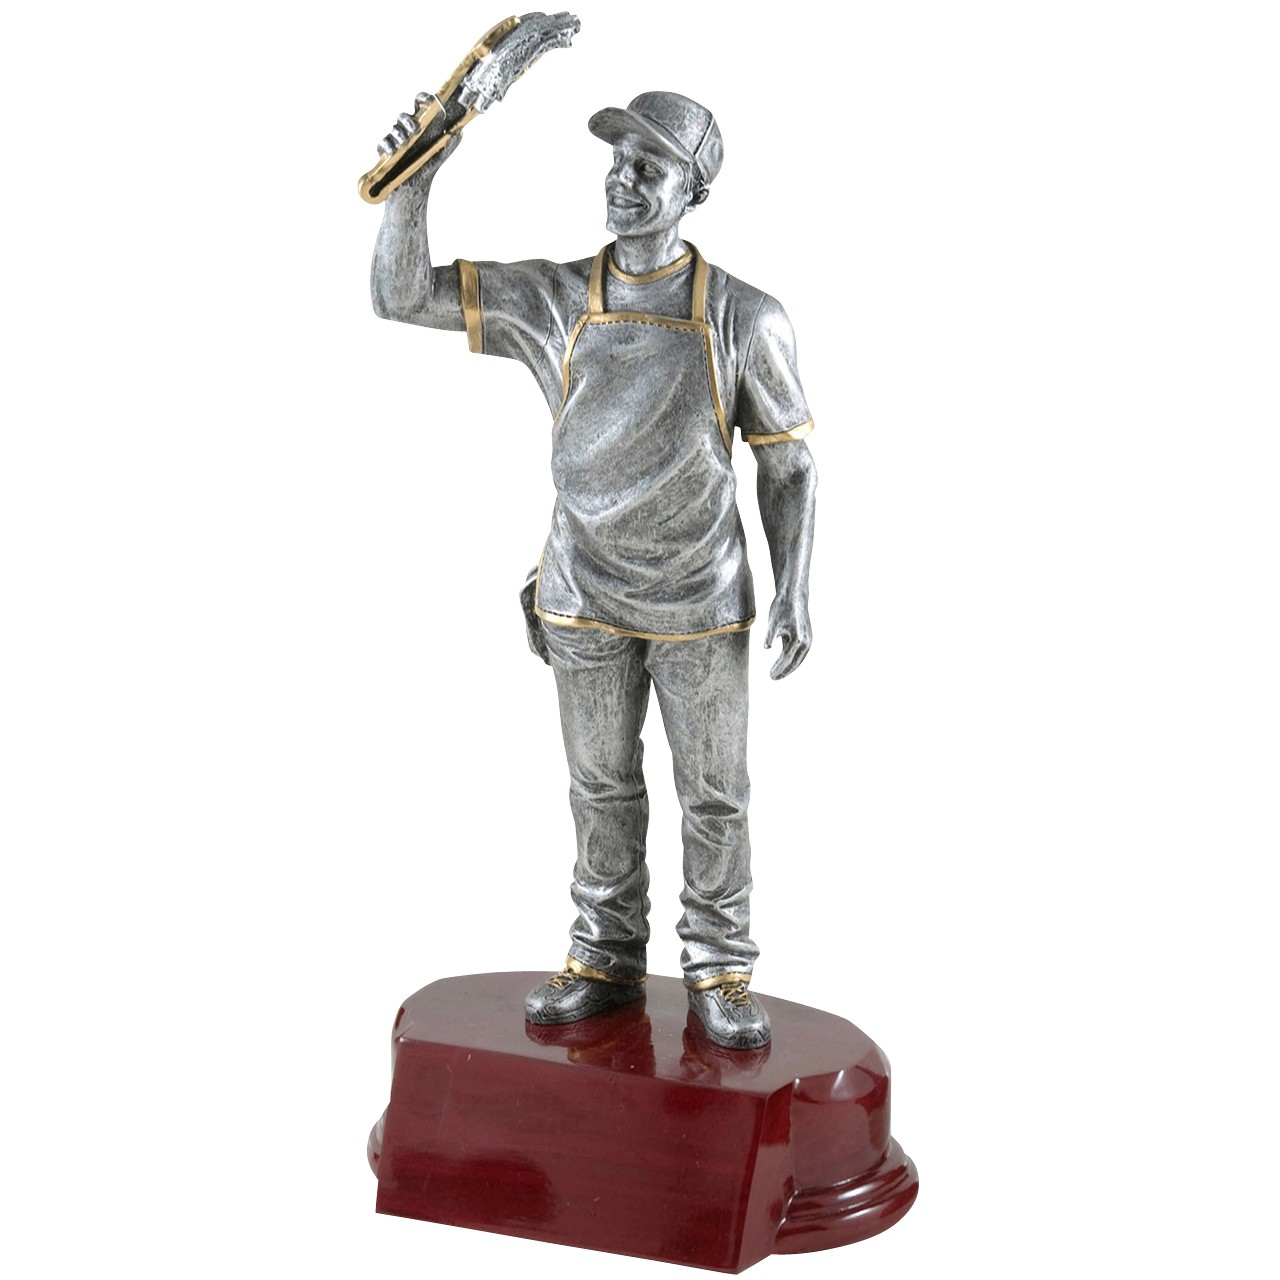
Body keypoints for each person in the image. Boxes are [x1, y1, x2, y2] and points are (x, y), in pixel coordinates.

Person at [371, 88, 817, 1049]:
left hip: (701, 600)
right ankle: (605, 956)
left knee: (715, 796)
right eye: (616, 159)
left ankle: (720, 965)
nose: (623, 178)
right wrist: (414, 183)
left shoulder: (748, 318)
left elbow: (788, 463)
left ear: (694, 189)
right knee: (600, 787)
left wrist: (796, 589)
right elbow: (400, 295)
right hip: (582, 594)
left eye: (649, 166)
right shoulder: (555, 296)